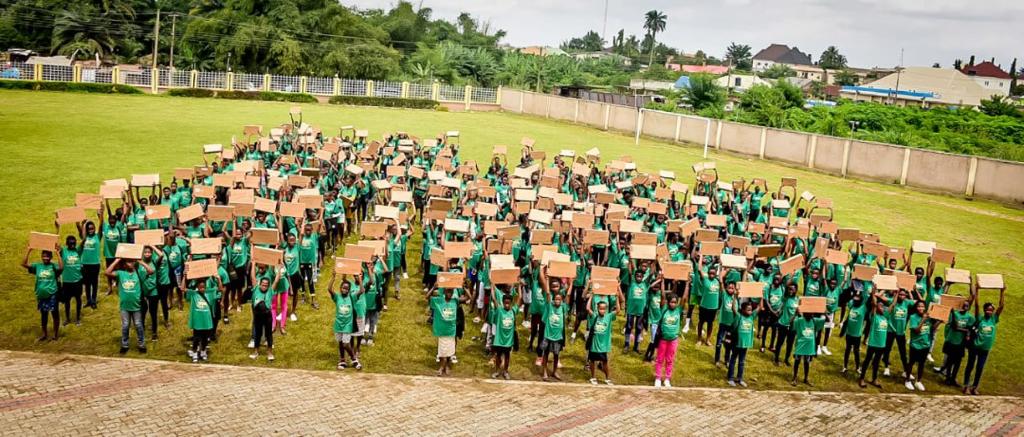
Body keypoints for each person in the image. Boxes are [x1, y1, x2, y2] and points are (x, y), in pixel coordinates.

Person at [963, 284, 1005, 395]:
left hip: (985, 349)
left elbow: (1001, 306)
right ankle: (966, 386)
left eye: (991, 310)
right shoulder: (980, 318)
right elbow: (976, 305)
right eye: (987, 310)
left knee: (980, 368)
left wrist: (1002, 291)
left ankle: (974, 387)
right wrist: (977, 290)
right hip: (975, 347)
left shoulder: (994, 319)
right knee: (970, 366)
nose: (989, 312)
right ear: (984, 310)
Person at [105, 257, 152, 354]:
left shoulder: (139, 273)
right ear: (124, 263)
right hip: (125, 307)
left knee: (138, 325)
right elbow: (107, 272)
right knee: (125, 326)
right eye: (128, 261)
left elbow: (151, 271)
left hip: (137, 306)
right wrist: (117, 260)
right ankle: (125, 345)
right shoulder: (120, 274)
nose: (130, 263)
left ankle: (141, 345)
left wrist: (140, 261)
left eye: (132, 261)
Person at [22, 247, 63, 341]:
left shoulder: (53, 266)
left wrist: (58, 254)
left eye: (47, 256)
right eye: (44, 256)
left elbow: (61, 268)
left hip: (52, 294)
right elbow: (23, 264)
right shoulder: (37, 266)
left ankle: (55, 335)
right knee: (44, 315)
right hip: (41, 295)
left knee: (55, 314)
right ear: (41, 256)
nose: (45, 258)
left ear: (51, 257)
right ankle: (44, 334)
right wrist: (28, 250)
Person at [179, 269, 218, 363]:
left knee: (205, 338)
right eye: (200, 287)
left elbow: (220, 288)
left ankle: (203, 351)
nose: (202, 289)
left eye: (203, 287)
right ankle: (195, 352)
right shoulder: (193, 294)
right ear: (197, 287)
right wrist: (184, 276)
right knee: (196, 338)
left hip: (206, 321)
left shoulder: (209, 292)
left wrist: (218, 279)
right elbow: (182, 289)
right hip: (197, 321)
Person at [428, 283, 467, 377]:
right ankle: (442, 367)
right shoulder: (439, 301)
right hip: (442, 330)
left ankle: (446, 366)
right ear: (444, 292)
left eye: (451, 291)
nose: (450, 293)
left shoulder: (455, 301)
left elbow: (468, 298)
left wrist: (465, 288)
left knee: (449, 351)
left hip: (451, 331)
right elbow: (427, 297)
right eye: (448, 291)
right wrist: (433, 287)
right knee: (442, 351)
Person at [327, 271, 364, 370]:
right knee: (340, 343)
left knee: (345, 343)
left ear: (349, 290)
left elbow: (361, 290)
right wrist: (333, 277)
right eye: (343, 288)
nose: (345, 290)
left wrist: (360, 278)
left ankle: (354, 359)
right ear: (340, 288)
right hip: (338, 324)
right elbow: (329, 289)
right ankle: (342, 360)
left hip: (348, 324)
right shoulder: (337, 297)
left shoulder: (352, 297)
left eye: (347, 289)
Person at [936, 297, 974, 385]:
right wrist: (953, 313)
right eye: (963, 305)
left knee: (958, 362)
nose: (965, 307)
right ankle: (948, 377)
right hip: (951, 340)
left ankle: (953, 378)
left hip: (960, 343)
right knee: (950, 361)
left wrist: (967, 331)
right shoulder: (954, 314)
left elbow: (970, 328)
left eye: (967, 306)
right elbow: (954, 326)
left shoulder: (969, 317)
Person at [906, 301, 940, 391]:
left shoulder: (928, 317)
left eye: (922, 306)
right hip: (915, 345)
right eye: (919, 306)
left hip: (925, 345)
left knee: (921, 364)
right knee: (911, 363)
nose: (921, 308)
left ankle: (918, 381)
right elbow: (917, 331)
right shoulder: (913, 317)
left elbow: (932, 329)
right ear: (916, 308)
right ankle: (907, 380)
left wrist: (939, 322)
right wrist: (923, 319)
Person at [540, 271, 567, 381]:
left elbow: (568, 294)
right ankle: (545, 372)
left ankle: (555, 371)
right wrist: (547, 279)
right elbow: (547, 293)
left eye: (559, 299)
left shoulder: (563, 307)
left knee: (556, 355)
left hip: (558, 336)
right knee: (546, 354)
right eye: (556, 299)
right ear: (553, 300)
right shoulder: (550, 305)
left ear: (562, 300)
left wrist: (571, 281)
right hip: (548, 335)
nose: (557, 301)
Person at [859, 292, 890, 388]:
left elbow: (892, 305)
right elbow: (874, 304)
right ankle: (861, 378)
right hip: (873, 343)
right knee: (867, 360)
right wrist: (873, 293)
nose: (882, 307)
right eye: (880, 306)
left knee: (876, 362)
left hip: (881, 344)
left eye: (883, 306)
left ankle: (874, 379)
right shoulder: (874, 316)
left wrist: (897, 294)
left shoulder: (885, 317)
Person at [654, 294, 683, 388]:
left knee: (670, 360)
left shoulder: (678, 310)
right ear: (668, 302)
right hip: (663, 339)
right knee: (660, 359)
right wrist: (663, 284)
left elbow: (684, 298)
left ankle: (667, 379)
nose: (673, 304)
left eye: (675, 302)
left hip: (673, 340)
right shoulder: (664, 309)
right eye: (671, 302)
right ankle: (658, 378)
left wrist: (687, 286)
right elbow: (663, 295)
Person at [728, 301, 756, 387]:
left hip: (745, 344)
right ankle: (730, 378)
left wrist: (762, 297)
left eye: (751, 310)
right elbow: (733, 309)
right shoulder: (738, 316)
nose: (750, 311)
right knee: (733, 360)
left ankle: (739, 378)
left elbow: (759, 308)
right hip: (737, 343)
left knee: (742, 362)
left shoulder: (751, 317)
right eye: (748, 310)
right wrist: (735, 297)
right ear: (743, 310)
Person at [587, 300, 615, 385]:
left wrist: (617, 297)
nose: (602, 310)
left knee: (604, 362)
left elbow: (618, 310)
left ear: (606, 309)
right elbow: (588, 308)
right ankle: (593, 377)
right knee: (592, 361)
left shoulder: (609, 317)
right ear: (597, 308)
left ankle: (607, 378)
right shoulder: (594, 316)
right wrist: (591, 296)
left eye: (604, 309)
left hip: (603, 346)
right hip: (594, 344)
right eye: (600, 308)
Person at [249, 276, 277, 362]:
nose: (264, 286)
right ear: (260, 284)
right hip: (258, 316)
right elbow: (252, 277)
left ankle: (270, 353)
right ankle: (256, 352)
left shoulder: (270, 291)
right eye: (263, 284)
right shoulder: (255, 289)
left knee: (268, 334)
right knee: (258, 334)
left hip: (267, 316)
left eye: (266, 285)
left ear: (268, 286)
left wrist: (279, 270)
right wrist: (253, 266)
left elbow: (276, 281)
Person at [791, 311, 822, 386]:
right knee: (797, 361)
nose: (812, 314)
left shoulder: (814, 320)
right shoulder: (799, 320)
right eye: (810, 313)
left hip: (809, 345)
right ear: (805, 314)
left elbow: (827, 320)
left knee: (807, 362)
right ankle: (794, 378)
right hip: (800, 344)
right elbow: (791, 323)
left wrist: (824, 313)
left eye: (812, 313)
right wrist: (795, 314)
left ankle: (806, 378)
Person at [59, 235, 84, 326]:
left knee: (78, 300)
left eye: (74, 243)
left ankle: (78, 318)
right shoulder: (63, 251)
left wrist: (82, 227)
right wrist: (57, 229)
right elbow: (55, 244)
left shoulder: (78, 250)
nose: (73, 245)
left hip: (77, 281)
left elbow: (84, 240)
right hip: (67, 281)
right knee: (67, 301)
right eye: (70, 243)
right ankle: (67, 318)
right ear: (67, 244)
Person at [491, 294, 517, 380]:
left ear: (511, 303)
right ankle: (497, 371)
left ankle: (505, 371)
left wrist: (520, 287)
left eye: (508, 303)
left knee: (507, 356)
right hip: (499, 339)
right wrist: (492, 287)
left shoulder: (513, 311)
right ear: (502, 302)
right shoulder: (499, 310)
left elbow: (520, 298)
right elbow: (494, 299)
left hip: (508, 340)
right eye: (505, 303)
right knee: (498, 356)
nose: (507, 305)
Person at [841, 293, 867, 374]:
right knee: (847, 350)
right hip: (849, 333)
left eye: (857, 298)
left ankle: (858, 367)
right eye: (854, 298)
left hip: (857, 335)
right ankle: (845, 367)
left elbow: (868, 299)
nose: (855, 300)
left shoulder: (863, 308)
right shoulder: (852, 306)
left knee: (856, 351)